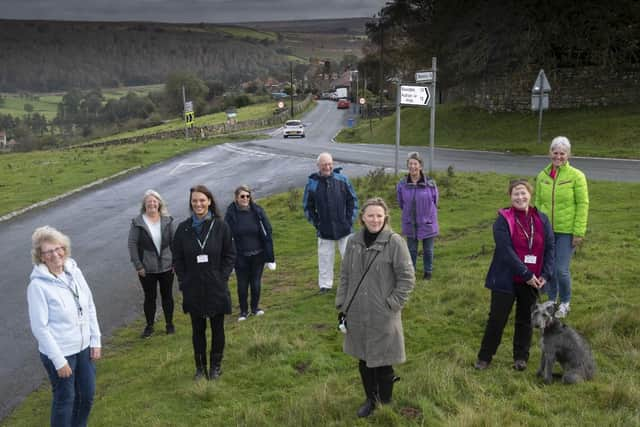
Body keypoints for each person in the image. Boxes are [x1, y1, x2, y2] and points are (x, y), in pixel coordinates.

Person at [336, 198, 415, 418]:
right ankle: (370, 399)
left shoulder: (395, 242)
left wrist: (391, 304)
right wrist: (342, 303)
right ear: (362, 217)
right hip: (357, 312)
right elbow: (345, 275)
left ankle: (385, 403)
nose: (375, 219)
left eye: (379, 215)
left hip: (384, 314)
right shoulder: (353, 242)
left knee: (383, 360)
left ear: (385, 217)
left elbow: (407, 279)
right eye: (370, 215)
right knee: (364, 358)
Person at [475, 180, 554, 371]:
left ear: (530, 194)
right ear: (510, 197)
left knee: (525, 319)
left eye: (523, 193)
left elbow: (551, 247)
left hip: (532, 280)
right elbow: (505, 250)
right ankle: (485, 357)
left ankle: (521, 357)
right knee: (497, 318)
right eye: (516, 194)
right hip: (505, 278)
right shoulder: (503, 219)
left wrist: (545, 274)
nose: (520, 197)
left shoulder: (541, 219)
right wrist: (525, 273)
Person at [27, 226, 102, 427]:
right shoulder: (38, 286)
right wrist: (59, 360)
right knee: (65, 400)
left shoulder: (74, 272)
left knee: (86, 396)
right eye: (48, 251)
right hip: (60, 353)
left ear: (65, 248)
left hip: (84, 348)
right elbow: (39, 327)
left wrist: (95, 340)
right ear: (41, 257)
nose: (55, 254)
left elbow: (89, 305)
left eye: (58, 248)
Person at [172, 185, 236, 380]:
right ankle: (200, 368)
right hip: (194, 288)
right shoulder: (183, 229)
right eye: (194, 201)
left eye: (202, 200)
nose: (198, 204)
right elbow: (177, 259)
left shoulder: (221, 226)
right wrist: (184, 280)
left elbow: (230, 254)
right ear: (191, 203)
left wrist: (222, 277)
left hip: (216, 287)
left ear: (209, 201)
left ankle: (215, 367)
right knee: (197, 330)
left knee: (218, 328)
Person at [535, 136, 589, 318]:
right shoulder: (542, 175)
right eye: (555, 152)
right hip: (546, 230)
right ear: (550, 153)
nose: (558, 156)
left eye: (562, 153)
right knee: (548, 268)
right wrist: (535, 227)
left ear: (568, 155)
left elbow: (583, 204)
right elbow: (537, 203)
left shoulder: (577, 176)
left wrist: (578, 232)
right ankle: (551, 300)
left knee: (560, 269)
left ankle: (565, 302)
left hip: (567, 232)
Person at [303, 152, 358, 294]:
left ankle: (353, 283)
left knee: (350, 257)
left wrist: (349, 221)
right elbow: (307, 207)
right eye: (324, 164)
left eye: (329, 164)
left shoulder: (343, 180)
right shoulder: (312, 184)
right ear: (318, 166)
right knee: (325, 259)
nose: (327, 167)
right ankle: (325, 285)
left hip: (344, 228)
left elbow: (352, 201)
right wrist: (317, 223)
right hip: (324, 230)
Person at [128, 189, 176, 338]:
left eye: (155, 201)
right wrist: (138, 265)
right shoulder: (138, 222)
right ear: (144, 204)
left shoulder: (167, 220)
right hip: (146, 269)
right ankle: (149, 326)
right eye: (149, 202)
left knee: (167, 296)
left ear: (159, 203)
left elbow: (174, 242)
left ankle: (169, 324)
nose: (152, 204)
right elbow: (132, 244)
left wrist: (175, 262)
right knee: (150, 298)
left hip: (167, 267)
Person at [224, 185, 275, 321]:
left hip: (258, 254)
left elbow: (267, 230)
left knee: (256, 283)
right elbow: (227, 236)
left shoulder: (257, 211)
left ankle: (255, 308)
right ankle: (243, 311)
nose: (245, 198)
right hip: (240, 256)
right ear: (236, 198)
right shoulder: (230, 214)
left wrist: (269, 255)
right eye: (242, 196)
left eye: (247, 196)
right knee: (242, 285)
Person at [396, 151, 439, 280]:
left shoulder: (430, 184)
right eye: (410, 164)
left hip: (428, 222)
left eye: (415, 164)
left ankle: (428, 272)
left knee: (428, 250)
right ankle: (411, 272)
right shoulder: (402, 184)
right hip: (410, 222)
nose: (412, 167)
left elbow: (435, 201)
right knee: (412, 250)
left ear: (420, 166)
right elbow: (401, 203)